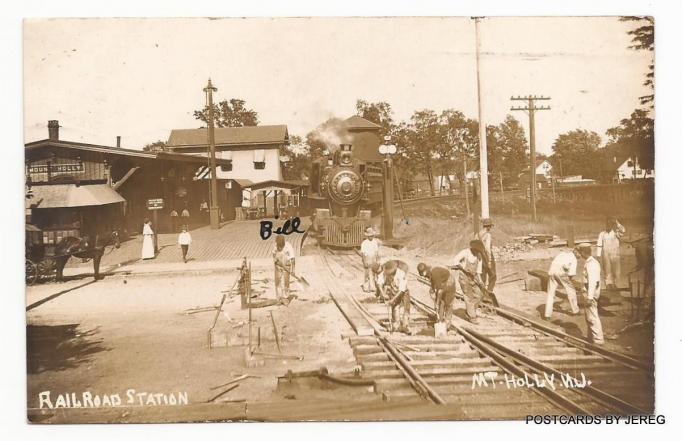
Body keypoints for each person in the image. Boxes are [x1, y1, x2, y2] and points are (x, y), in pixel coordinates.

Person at [452, 239, 487, 324]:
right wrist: (464, 269)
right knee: (468, 296)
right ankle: (472, 317)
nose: (478, 252)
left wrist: (481, 282)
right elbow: (455, 261)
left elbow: (478, 271)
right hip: (464, 276)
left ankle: (470, 311)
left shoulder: (479, 256)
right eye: (477, 250)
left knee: (479, 295)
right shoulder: (465, 253)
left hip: (474, 277)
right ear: (473, 249)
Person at [543, 247, 581, 320]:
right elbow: (571, 275)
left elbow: (553, 263)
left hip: (552, 272)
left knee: (550, 294)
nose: (580, 256)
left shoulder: (562, 254)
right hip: (561, 274)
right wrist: (566, 284)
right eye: (579, 254)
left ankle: (547, 315)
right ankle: (575, 311)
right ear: (576, 252)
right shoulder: (573, 259)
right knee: (571, 291)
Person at [374, 259, 411, 333]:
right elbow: (379, 283)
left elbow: (401, 290)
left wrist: (392, 300)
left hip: (403, 292)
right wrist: (383, 294)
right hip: (394, 291)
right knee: (395, 309)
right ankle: (395, 325)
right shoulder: (384, 272)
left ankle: (405, 326)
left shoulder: (401, 274)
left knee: (406, 310)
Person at [578, 242, 604, 344]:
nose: (580, 254)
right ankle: (591, 338)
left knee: (592, 317)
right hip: (589, 293)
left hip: (591, 295)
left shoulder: (591, 264)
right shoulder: (590, 262)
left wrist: (589, 297)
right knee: (589, 317)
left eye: (580, 252)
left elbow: (593, 281)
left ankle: (598, 340)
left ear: (584, 252)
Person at [596, 217, 625, 289]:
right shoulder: (602, 234)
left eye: (610, 224)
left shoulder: (616, 233)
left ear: (612, 225)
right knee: (607, 270)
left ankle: (615, 283)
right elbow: (599, 245)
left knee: (616, 271)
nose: (608, 226)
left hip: (615, 254)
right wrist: (598, 255)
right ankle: (608, 284)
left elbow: (623, 230)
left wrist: (617, 222)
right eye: (607, 224)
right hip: (605, 254)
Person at [476, 218, 497, 293]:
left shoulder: (477, 235)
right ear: (488, 226)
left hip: (479, 256)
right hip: (486, 256)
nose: (490, 228)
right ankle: (489, 292)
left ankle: (482, 292)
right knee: (493, 276)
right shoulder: (488, 235)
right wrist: (489, 261)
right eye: (490, 226)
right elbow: (488, 249)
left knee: (483, 276)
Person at [273, 235, 295, 300]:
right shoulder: (275, 245)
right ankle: (279, 297)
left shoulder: (288, 246)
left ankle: (286, 297)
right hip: (278, 265)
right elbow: (274, 255)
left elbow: (292, 259)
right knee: (278, 281)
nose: (279, 247)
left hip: (287, 264)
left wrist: (293, 270)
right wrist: (276, 261)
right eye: (278, 245)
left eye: (280, 245)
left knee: (286, 281)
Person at [360, 227, 381, 293]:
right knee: (367, 273)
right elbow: (363, 253)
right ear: (367, 236)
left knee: (373, 273)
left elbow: (376, 252)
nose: (371, 237)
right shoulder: (364, 243)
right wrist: (364, 261)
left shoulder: (374, 242)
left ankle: (372, 287)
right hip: (367, 258)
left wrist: (377, 260)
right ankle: (366, 287)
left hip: (373, 258)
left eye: (372, 236)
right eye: (369, 236)